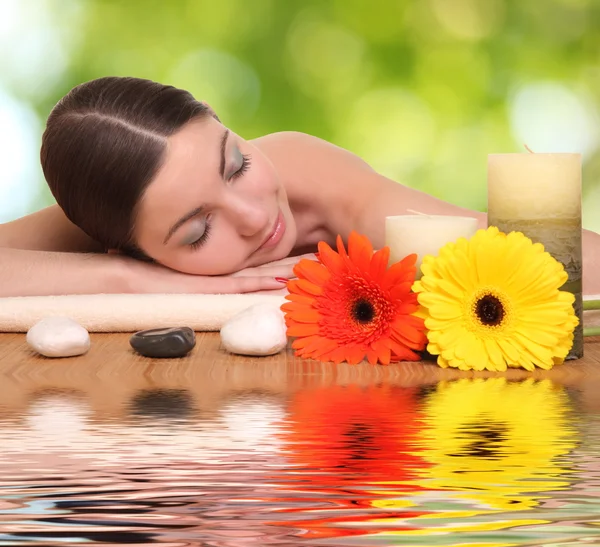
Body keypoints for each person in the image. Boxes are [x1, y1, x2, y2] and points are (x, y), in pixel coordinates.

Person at [0, 76, 598, 297]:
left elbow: (551, 267)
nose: (255, 218)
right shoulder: (114, 217)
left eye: (236, 164)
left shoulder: (321, 188)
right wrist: (132, 280)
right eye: (199, 231)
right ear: (127, 247)